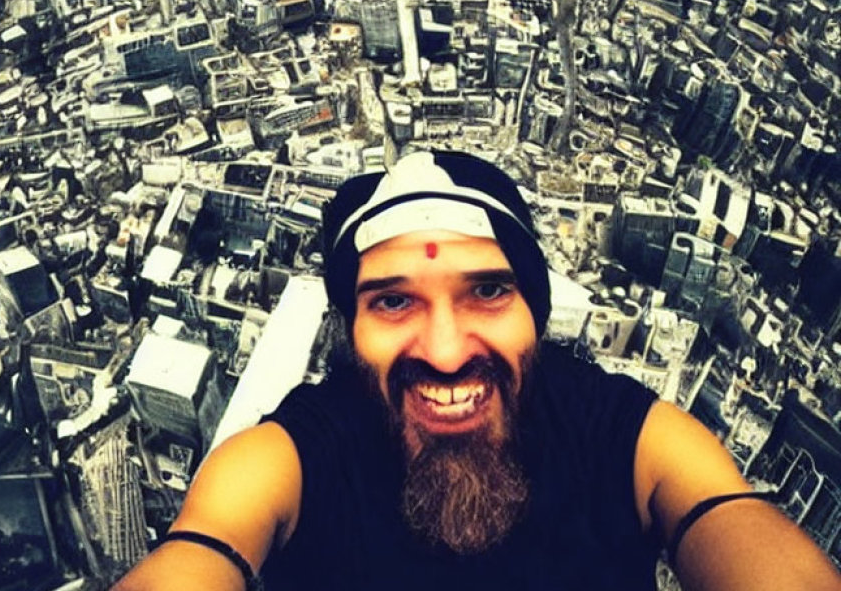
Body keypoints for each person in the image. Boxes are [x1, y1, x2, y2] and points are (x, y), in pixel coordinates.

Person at [113, 150, 841, 591]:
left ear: (535, 310)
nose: (447, 348)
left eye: (488, 290)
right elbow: (202, 550)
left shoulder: (623, 438)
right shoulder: (295, 458)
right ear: (351, 327)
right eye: (393, 300)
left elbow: (733, 523)